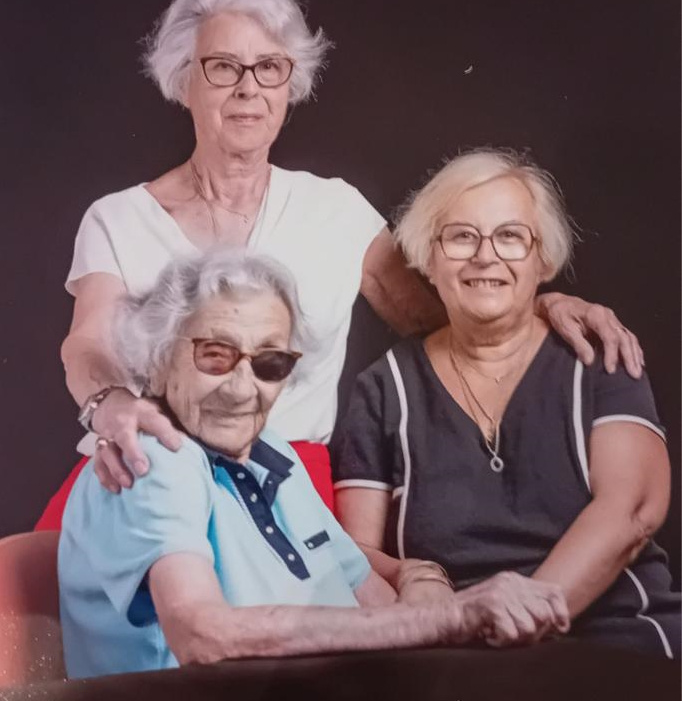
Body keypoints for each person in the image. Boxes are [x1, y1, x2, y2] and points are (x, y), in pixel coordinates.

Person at [41, 0, 642, 525]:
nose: (248, 89)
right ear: (185, 81)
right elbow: (86, 343)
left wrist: (541, 306)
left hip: (290, 487)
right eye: (223, 67)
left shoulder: (335, 209)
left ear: (289, 86)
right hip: (147, 470)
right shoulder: (118, 217)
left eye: (269, 68)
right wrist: (108, 401)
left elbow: (440, 312)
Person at [58, 249, 571, 678]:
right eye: (215, 354)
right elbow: (202, 635)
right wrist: (454, 617)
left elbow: (374, 599)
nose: (242, 389)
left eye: (269, 362)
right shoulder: (151, 457)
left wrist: (424, 583)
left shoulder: (271, 451)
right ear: (161, 356)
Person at [332, 148, 680, 658]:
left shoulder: (597, 356)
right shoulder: (384, 387)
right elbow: (355, 556)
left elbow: (632, 512)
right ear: (428, 257)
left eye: (511, 237)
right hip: (452, 653)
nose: (485, 256)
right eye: (461, 236)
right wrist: (435, 597)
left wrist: (519, 618)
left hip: (616, 636)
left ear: (544, 259)